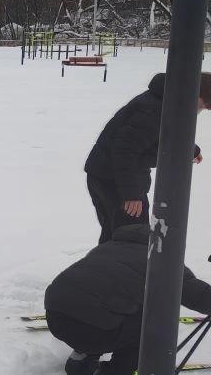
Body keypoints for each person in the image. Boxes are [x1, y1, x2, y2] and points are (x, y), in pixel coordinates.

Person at [45, 223, 211, 375]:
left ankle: (81, 359)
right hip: (95, 328)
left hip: (55, 316)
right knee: (153, 330)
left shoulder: (107, 247)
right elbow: (197, 295)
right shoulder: (161, 260)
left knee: (106, 303)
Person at [84, 72, 208, 243]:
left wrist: (190, 149)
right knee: (130, 238)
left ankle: (107, 260)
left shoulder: (166, 101)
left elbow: (165, 134)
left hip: (108, 175)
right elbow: (125, 151)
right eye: (202, 105)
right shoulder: (154, 109)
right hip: (114, 181)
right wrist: (131, 194)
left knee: (116, 235)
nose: (200, 111)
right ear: (194, 93)